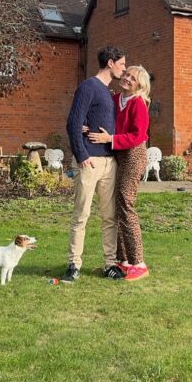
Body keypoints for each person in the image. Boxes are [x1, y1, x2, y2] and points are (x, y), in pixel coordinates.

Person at [63, 46, 127, 283]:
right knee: (82, 214)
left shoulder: (108, 93)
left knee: (110, 217)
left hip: (109, 162)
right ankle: (73, 264)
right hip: (89, 161)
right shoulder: (88, 87)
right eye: (121, 64)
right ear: (110, 63)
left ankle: (109, 264)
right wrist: (81, 155)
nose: (124, 68)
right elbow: (73, 122)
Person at [87, 65, 151, 281]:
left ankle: (138, 262)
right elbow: (105, 121)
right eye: (125, 74)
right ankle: (123, 260)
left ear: (139, 84)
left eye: (132, 78)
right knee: (116, 205)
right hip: (118, 154)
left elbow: (137, 135)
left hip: (133, 154)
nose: (126, 78)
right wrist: (88, 127)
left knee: (126, 202)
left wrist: (111, 140)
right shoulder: (116, 100)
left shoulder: (138, 103)